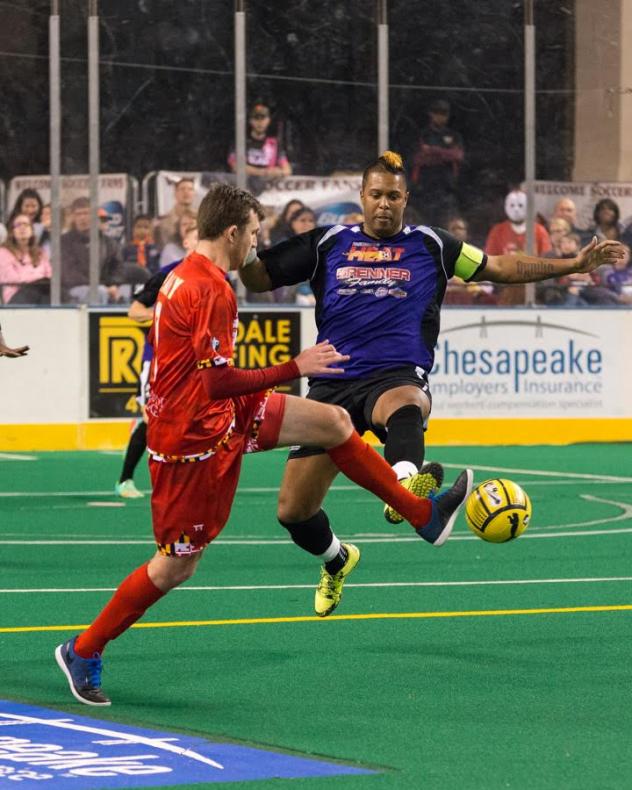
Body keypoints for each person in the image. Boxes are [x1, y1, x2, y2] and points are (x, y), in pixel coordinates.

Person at [55, 182, 473, 706]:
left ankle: (421, 514)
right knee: (176, 564)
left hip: (221, 415)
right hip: (192, 441)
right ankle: (84, 649)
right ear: (232, 231)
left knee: (335, 423)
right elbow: (213, 382)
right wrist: (293, 367)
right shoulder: (207, 287)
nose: (256, 245)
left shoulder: (188, 274)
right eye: (253, 234)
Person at [239, 150, 625, 592]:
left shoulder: (433, 244)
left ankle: (406, 489)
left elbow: (498, 267)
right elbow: (258, 278)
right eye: (377, 195)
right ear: (362, 196)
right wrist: (246, 250)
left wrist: (574, 264)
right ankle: (338, 559)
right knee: (293, 511)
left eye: (394, 196)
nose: (384, 204)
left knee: (407, 403)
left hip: (395, 374)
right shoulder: (327, 243)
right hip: (331, 383)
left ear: (407, 198)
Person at [115, 223, 199, 499]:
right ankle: (125, 479)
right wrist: (173, 319)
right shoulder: (168, 273)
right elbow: (135, 311)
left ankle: (182, 482)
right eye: (197, 238)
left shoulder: (218, 277)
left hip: (191, 361)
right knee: (152, 419)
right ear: (186, 243)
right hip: (158, 359)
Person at [61, 198, 149, 304]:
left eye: (86, 213)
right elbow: (70, 275)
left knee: (125, 300)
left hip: (105, 289)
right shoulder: (63, 242)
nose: (83, 218)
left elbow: (117, 268)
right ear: (73, 217)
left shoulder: (109, 243)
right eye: (78, 214)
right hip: (72, 291)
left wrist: (112, 285)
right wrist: (102, 287)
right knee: (99, 293)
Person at [409, 99, 464, 226]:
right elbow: (419, 158)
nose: (440, 117)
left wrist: (433, 151)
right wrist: (445, 154)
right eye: (437, 113)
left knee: (446, 227)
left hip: (447, 189)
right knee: (425, 227)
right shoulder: (423, 134)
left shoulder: (453, 135)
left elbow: (457, 155)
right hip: (424, 190)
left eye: (444, 113)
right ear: (431, 114)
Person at [227, 102, 292, 179]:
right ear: (250, 121)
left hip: (268, 188)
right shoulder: (240, 142)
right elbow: (235, 166)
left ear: (268, 120)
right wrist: (263, 172)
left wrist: (278, 172)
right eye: (256, 118)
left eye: (263, 118)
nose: (260, 122)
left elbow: (287, 169)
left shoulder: (274, 143)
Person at [0, 214, 52, 304]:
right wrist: (38, 278)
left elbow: (50, 275)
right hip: (16, 296)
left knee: (48, 295)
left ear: (32, 231)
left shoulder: (40, 253)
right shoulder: (3, 253)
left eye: (26, 225)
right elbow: (13, 279)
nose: (22, 228)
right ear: (12, 232)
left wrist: (38, 279)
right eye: (18, 225)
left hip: (40, 291)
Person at [154, 177, 196, 249]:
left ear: (194, 193)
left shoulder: (202, 220)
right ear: (175, 193)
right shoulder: (162, 223)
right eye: (182, 189)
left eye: (190, 189)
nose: (186, 192)